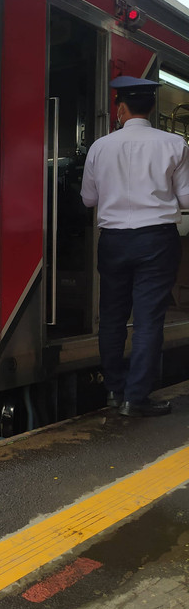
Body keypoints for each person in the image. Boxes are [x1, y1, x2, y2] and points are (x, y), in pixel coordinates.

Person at [81, 76, 189, 417]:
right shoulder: (175, 144)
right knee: (148, 320)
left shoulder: (100, 147)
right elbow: (186, 198)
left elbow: (88, 199)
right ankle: (136, 398)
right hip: (157, 240)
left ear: (121, 108)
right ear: (153, 108)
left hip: (113, 241)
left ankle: (114, 390)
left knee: (112, 317)